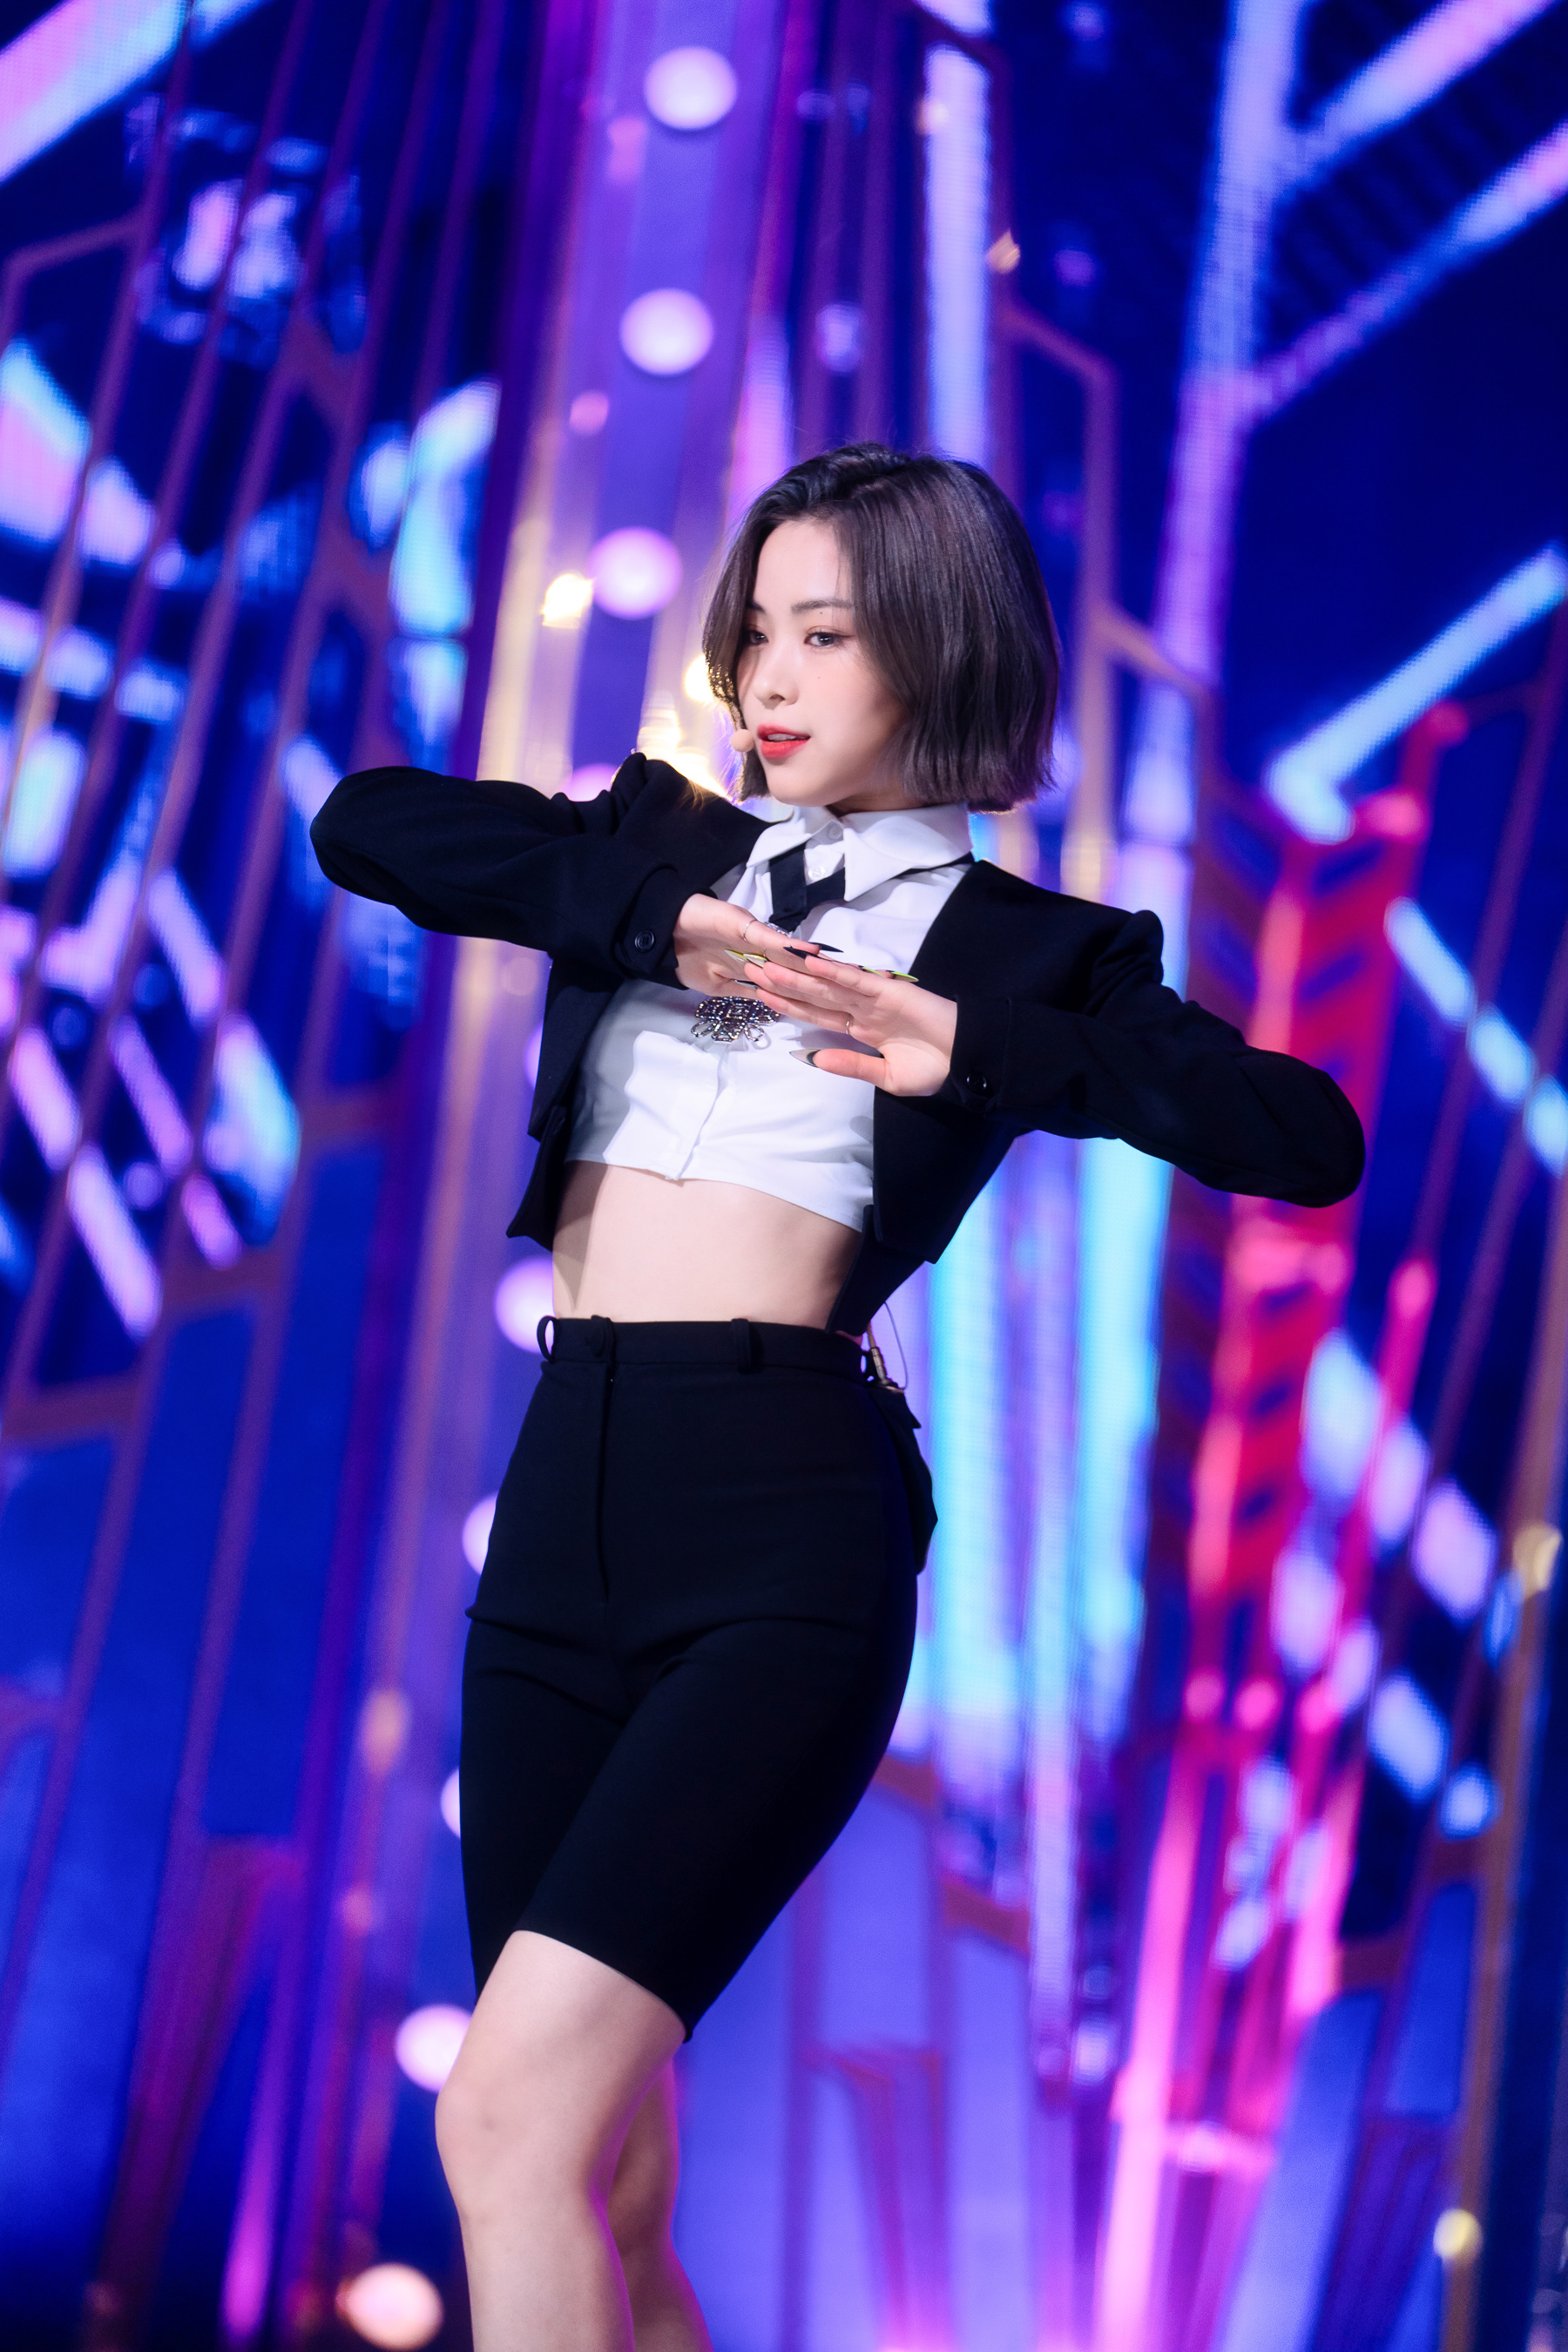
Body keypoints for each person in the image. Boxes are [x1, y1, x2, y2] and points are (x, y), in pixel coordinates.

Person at [310, 443, 1362, 2352]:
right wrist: (662, 925)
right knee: (607, 2181)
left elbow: (1301, 1135)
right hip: (563, 1499)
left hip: (779, 1523)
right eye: (759, 632)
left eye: (830, 635)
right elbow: (369, 825)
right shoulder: (653, 842)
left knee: (508, 2122)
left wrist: (976, 1045)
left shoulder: (1039, 951)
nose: (771, 679)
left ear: (941, 652)